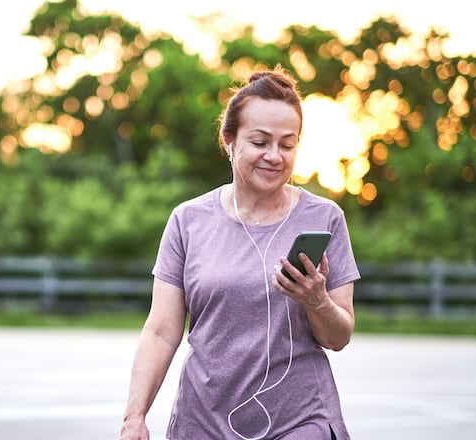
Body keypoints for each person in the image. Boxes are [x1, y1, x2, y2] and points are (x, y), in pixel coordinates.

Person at [119, 66, 360, 440]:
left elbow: (339, 337)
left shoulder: (325, 218)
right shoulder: (188, 220)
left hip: (299, 420)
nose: (274, 156)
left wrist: (316, 300)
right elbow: (162, 332)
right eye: (260, 142)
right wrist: (134, 416)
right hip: (203, 422)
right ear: (229, 141)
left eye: (287, 143)